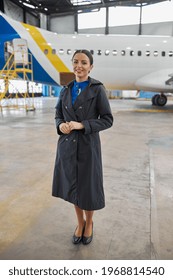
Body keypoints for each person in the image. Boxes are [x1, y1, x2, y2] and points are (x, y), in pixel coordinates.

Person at [52, 49, 113, 245]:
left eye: (84, 62)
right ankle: (80, 222)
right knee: (73, 187)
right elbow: (58, 115)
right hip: (67, 146)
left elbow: (107, 120)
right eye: (76, 62)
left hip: (88, 145)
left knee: (88, 188)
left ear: (90, 67)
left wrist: (83, 125)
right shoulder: (66, 89)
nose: (79, 65)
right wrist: (60, 125)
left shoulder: (97, 89)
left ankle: (90, 223)